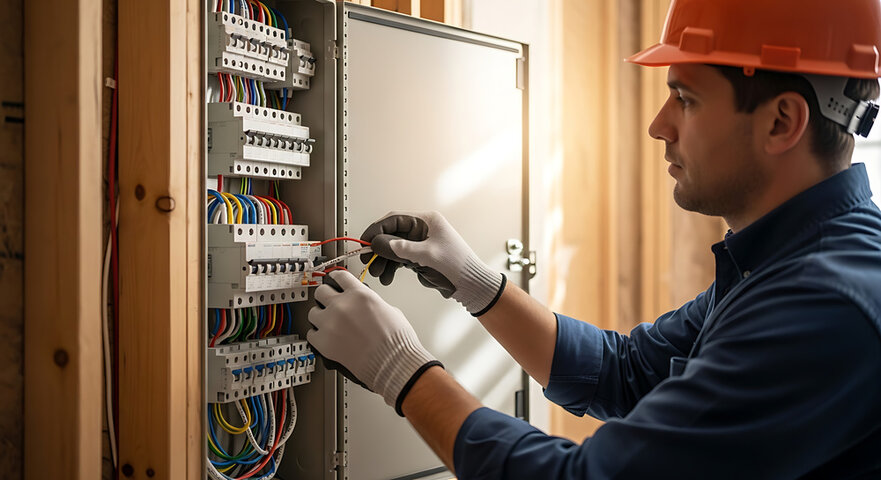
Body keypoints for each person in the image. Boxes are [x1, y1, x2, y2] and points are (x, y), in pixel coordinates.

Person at [305, 0, 881, 477]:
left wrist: (401, 372)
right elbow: (625, 373)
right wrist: (475, 283)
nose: (659, 125)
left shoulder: (823, 306)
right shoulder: (780, 260)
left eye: (686, 99)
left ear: (782, 122)